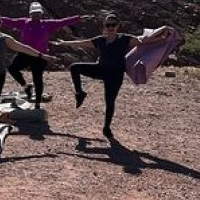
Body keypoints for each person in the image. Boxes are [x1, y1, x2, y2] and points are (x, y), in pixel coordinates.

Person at [53, 12, 173, 141]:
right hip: (100, 69)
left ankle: (106, 128)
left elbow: (143, 41)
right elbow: (82, 43)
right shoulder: (100, 40)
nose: (110, 27)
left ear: (118, 26)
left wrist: (162, 37)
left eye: (113, 25)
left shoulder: (124, 39)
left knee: (109, 101)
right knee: (74, 67)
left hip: (115, 75)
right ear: (104, 26)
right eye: (107, 25)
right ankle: (80, 93)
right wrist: (64, 43)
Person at [1, 1, 92, 108]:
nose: (36, 15)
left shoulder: (47, 24)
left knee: (37, 78)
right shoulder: (24, 23)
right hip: (25, 53)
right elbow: (10, 21)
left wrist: (78, 18)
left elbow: (62, 22)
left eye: (38, 13)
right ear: (30, 14)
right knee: (12, 69)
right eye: (34, 13)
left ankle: (37, 103)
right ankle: (26, 86)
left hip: (40, 56)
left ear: (41, 13)